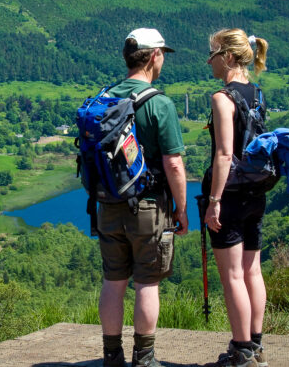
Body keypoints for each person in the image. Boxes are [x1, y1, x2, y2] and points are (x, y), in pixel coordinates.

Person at [98, 28, 188, 367]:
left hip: (107, 204)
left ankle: (111, 356)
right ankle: (144, 358)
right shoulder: (158, 103)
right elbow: (174, 163)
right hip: (148, 206)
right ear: (154, 56)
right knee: (147, 282)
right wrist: (181, 210)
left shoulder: (105, 97)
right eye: (162, 53)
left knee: (113, 280)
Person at [203, 28, 270, 367]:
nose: (209, 61)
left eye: (212, 54)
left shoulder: (222, 98)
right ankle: (255, 345)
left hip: (229, 196)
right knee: (252, 271)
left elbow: (224, 154)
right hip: (256, 192)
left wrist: (214, 202)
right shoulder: (257, 93)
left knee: (232, 277)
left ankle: (241, 351)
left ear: (227, 57)